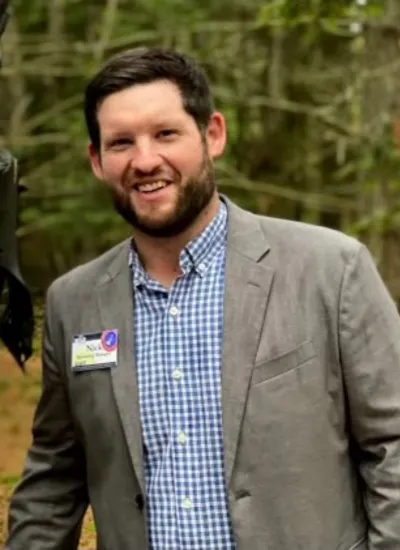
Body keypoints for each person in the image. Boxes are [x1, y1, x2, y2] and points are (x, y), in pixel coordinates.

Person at [5, 46, 400, 550]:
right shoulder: (73, 302)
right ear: (97, 160)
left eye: (166, 133)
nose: (145, 160)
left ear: (213, 135)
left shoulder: (330, 269)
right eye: (121, 142)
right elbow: (55, 479)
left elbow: (393, 444)